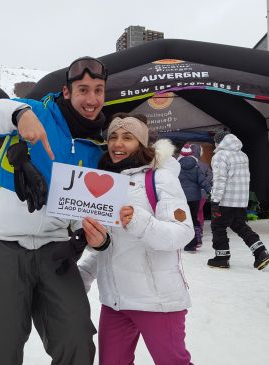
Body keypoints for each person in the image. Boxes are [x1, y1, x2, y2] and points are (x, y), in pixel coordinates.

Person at [0, 56, 110, 365]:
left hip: (56, 250)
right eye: (83, 89)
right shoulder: (37, 111)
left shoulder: (96, 147)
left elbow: (84, 207)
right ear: (67, 92)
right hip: (2, 244)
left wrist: (92, 235)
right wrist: (18, 114)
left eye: (99, 89)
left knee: (77, 340)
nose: (92, 99)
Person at [79, 114, 194, 365]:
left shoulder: (160, 178)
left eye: (127, 138)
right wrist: (91, 257)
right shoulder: (104, 182)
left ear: (142, 144)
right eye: (113, 137)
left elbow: (183, 233)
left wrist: (140, 222)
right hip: (116, 302)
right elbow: (111, 244)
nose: (117, 144)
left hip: (158, 302)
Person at [208, 130, 269, 270]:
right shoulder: (243, 155)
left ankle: (221, 258)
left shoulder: (220, 155)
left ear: (219, 142)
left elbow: (219, 180)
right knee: (240, 226)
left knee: (218, 227)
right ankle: (261, 252)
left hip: (225, 200)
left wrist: (215, 201)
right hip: (240, 200)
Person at [178, 143, 211, 252]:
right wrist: (209, 191)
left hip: (182, 198)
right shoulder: (196, 166)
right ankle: (197, 240)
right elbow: (202, 181)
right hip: (196, 198)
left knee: (184, 219)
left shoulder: (176, 167)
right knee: (194, 218)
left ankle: (188, 242)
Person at [190, 143, 212, 247]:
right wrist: (203, 184)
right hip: (202, 193)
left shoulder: (186, 163)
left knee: (192, 212)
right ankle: (200, 229)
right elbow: (210, 176)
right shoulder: (204, 165)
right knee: (199, 211)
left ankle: (193, 230)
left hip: (190, 193)